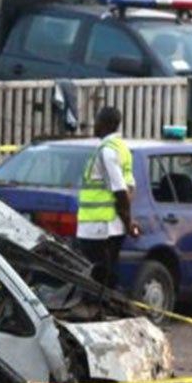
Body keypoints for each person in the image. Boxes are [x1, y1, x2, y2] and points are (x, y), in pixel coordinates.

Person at [75, 105, 137, 292]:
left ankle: (101, 313)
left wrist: (128, 222)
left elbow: (119, 190)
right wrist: (127, 221)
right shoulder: (122, 148)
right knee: (106, 278)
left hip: (99, 228)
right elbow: (131, 187)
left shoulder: (107, 151)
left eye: (97, 121)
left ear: (105, 124)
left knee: (97, 280)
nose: (94, 125)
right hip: (110, 226)